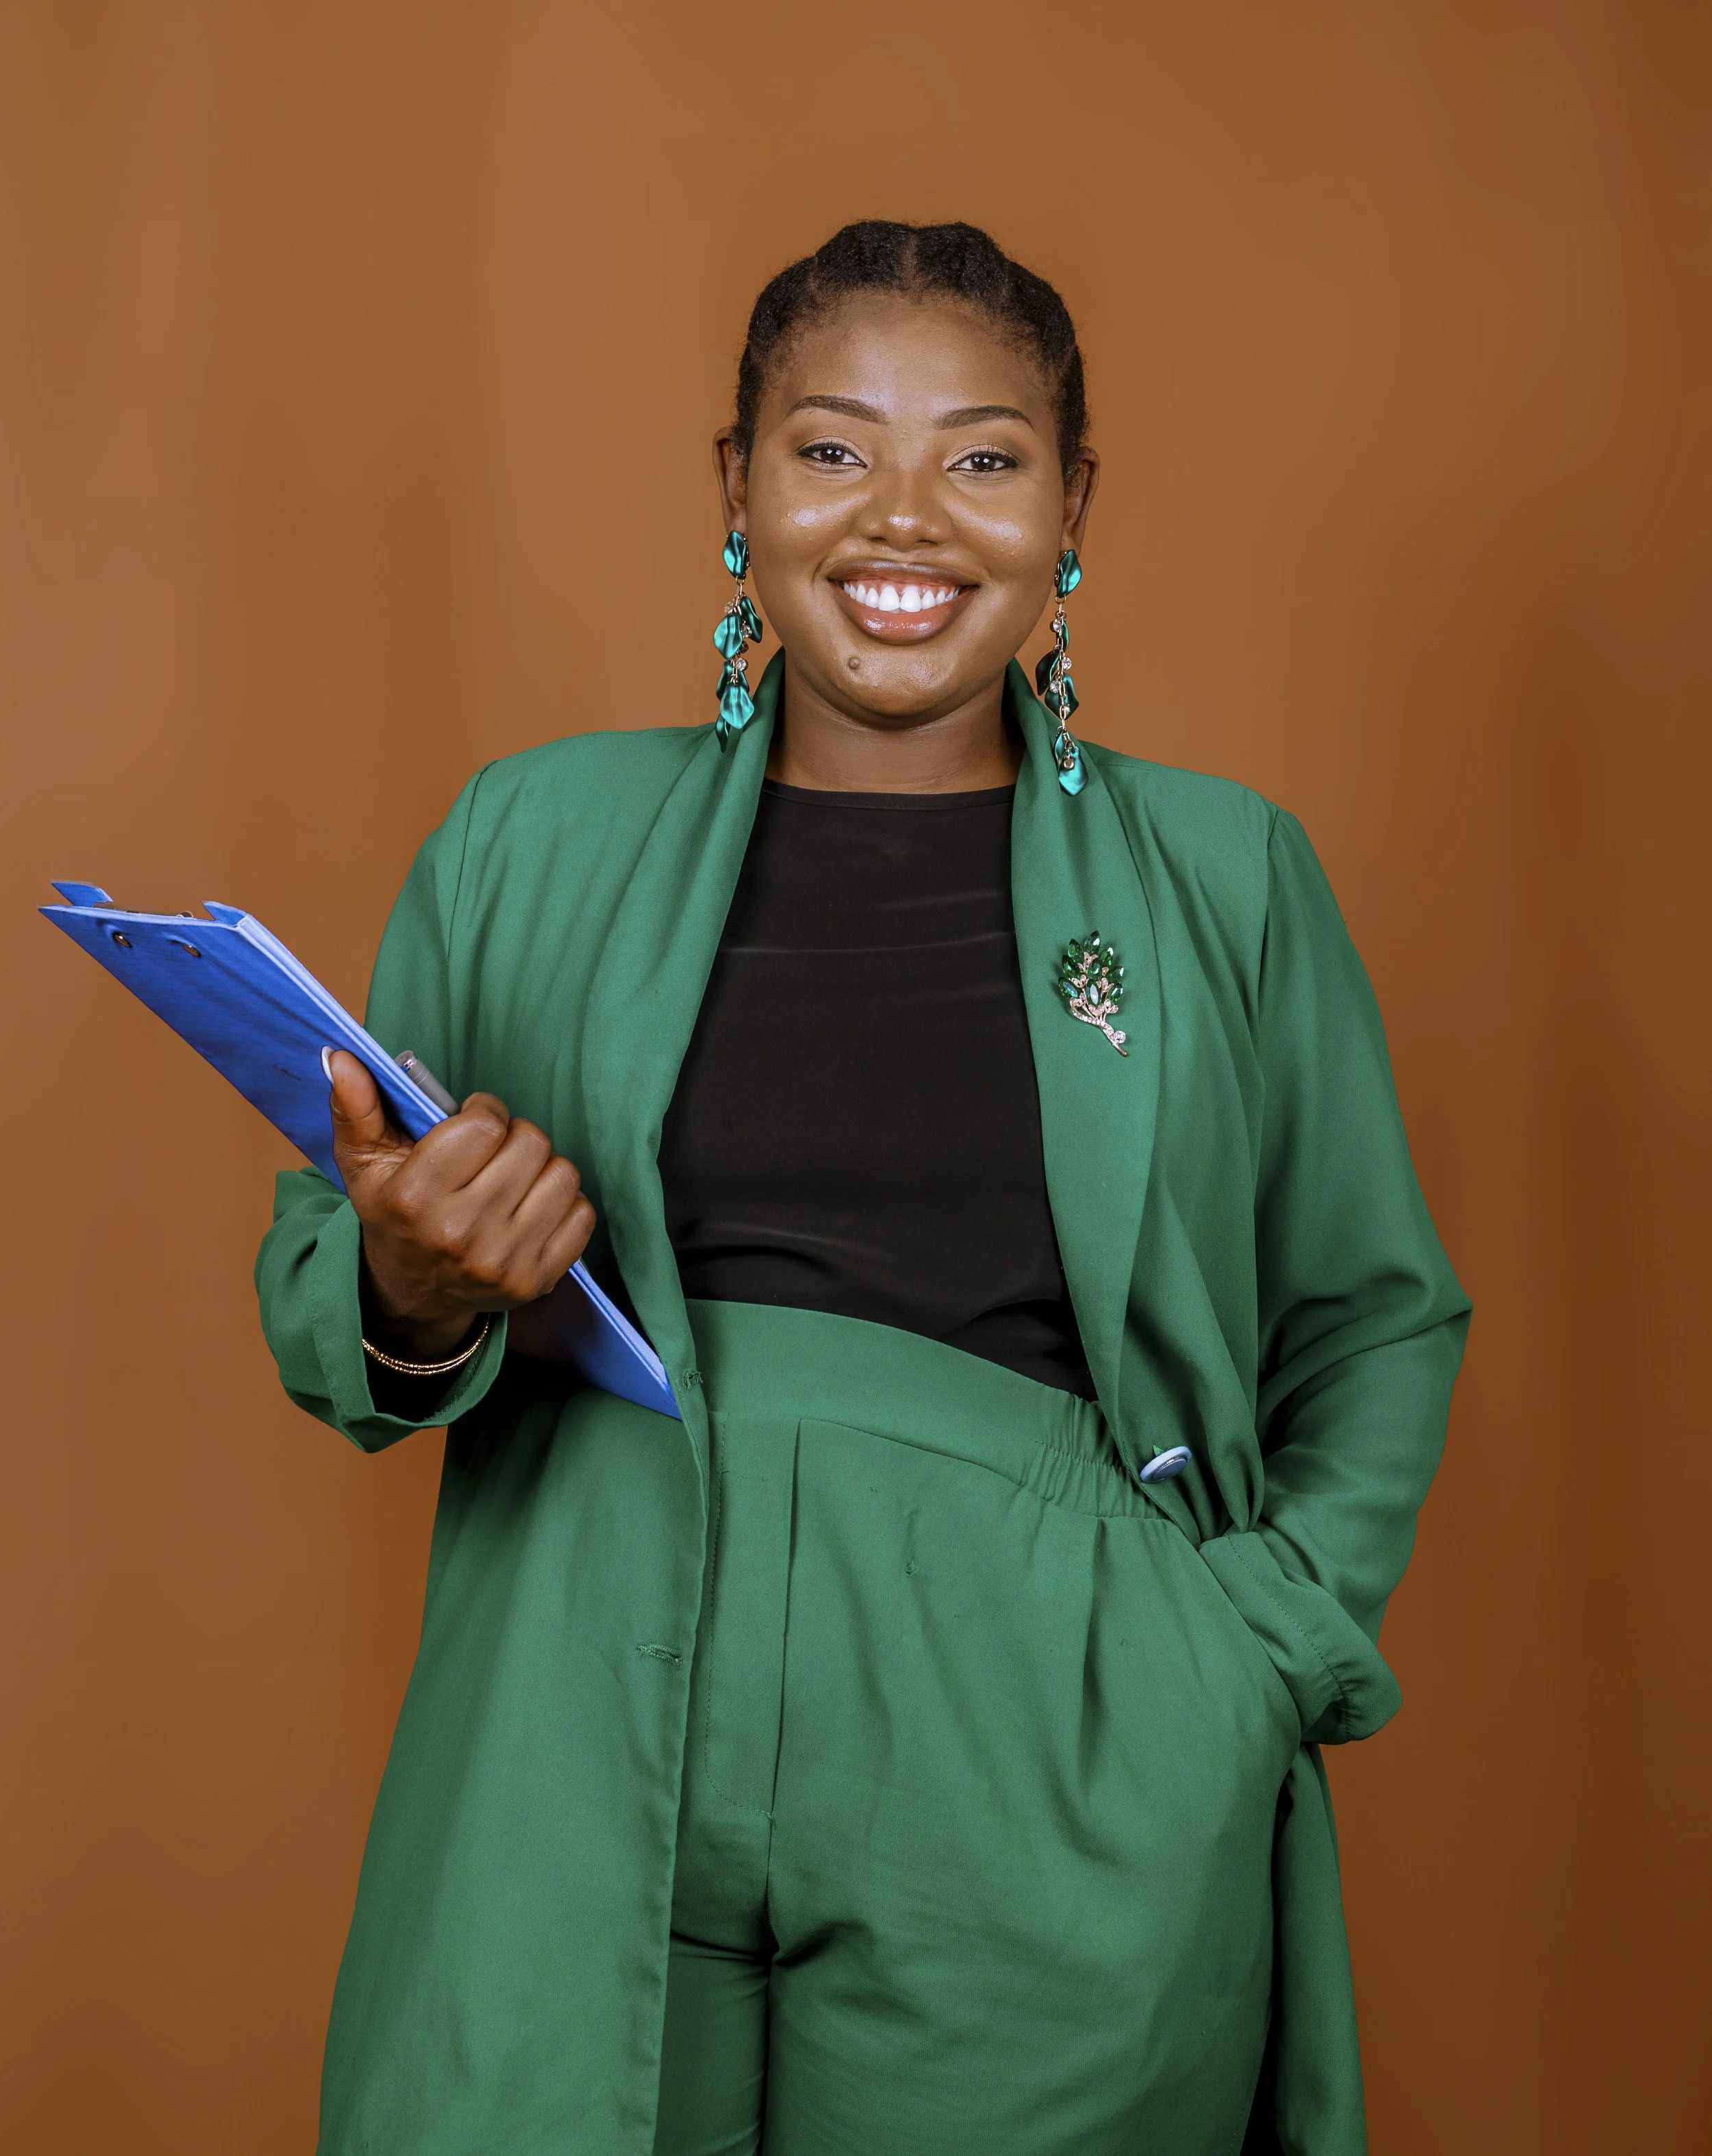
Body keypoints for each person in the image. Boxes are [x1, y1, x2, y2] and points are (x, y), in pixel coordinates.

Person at [257, 219, 1470, 2156]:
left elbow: (1372, 1308)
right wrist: (418, 1281)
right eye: (830, 450)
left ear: (1073, 505)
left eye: (982, 457)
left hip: (1049, 1758)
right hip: (580, 1702)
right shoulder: (528, 840)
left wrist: (1245, 1656)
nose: (902, 515)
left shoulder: (1225, 881)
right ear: (731, 489)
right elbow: (334, 1286)